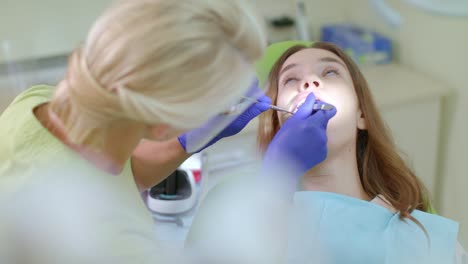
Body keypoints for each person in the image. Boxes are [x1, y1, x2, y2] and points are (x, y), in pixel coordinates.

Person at [0, 0, 271, 263]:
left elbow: (113, 177)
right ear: (165, 123)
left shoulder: (35, 103)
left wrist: (187, 140)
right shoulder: (115, 242)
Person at [186, 41, 467, 263]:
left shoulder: (428, 242)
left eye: (329, 72)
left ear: (362, 115)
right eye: (291, 80)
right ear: (278, 123)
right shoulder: (245, 220)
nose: (309, 83)